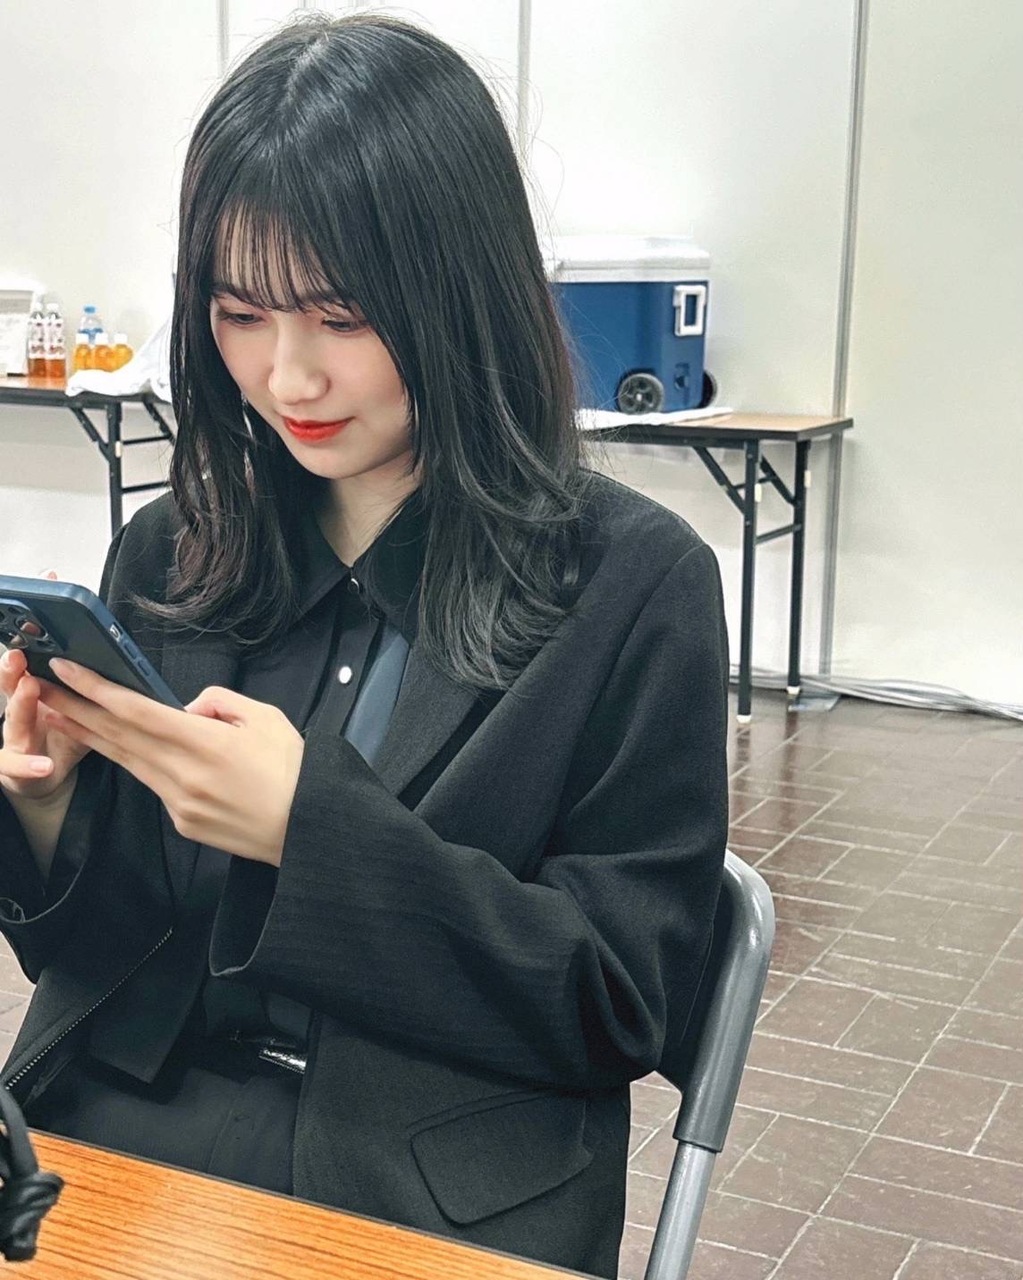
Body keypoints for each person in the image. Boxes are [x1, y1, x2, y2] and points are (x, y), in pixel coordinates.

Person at [0, 13, 728, 1278]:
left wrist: (307, 830)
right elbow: (91, 946)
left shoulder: (633, 583)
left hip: (418, 1185)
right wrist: (51, 806)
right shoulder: (175, 550)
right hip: (117, 1136)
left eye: (342, 317)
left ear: (461, 291)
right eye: (240, 314)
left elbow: (618, 1001)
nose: (289, 378)